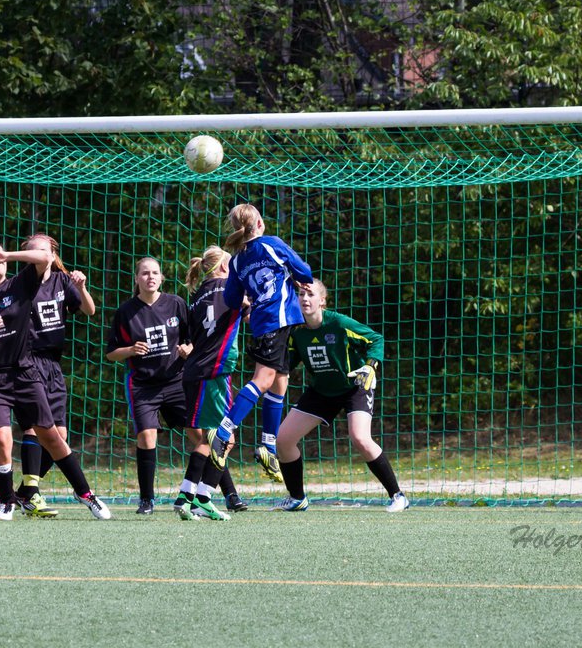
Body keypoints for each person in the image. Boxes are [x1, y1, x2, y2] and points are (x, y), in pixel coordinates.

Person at [0, 241, 112, 521]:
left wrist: (7, 253)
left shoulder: (20, 284)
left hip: (25, 373)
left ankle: (87, 495)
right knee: (1, 440)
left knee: (52, 436)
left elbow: (45, 256)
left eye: (0, 254)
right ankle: (7, 501)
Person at [274, 281, 408, 513]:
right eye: (301, 294)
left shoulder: (339, 323)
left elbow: (376, 339)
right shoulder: (296, 331)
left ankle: (398, 496)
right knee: (283, 440)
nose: (305, 299)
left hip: (354, 385)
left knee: (360, 438)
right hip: (321, 391)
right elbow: (286, 364)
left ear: (322, 301)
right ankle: (297, 498)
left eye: (310, 294)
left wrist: (371, 366)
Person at [208, 204, 314, 483]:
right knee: (264, 380)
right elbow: (305, 271)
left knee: (280, 382)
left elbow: (231, 299)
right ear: (260, 223)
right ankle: (222, 433)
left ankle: (268, 445)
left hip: (264, 325)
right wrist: (294, 278)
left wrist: (249, 300)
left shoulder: (237, 260)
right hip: (276, 323)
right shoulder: (272, 245)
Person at [105, 257, 193, 515]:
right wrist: (130, 350)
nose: (150, 277)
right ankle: (147, 500)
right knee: (146, 436)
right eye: (145, 273)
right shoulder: (126, 311)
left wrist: (188, 348)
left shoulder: (176, 304)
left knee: (200, 435)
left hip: (177, 381)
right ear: (136, 278)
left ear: (162, 278)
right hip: (143, 386)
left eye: (155, 272)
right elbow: (111, 353)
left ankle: (217, 493)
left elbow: (194, 339)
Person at [174, 246, 250, 521]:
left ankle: (186, 497)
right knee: (225, 438)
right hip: (215, 372)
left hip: (194, 372)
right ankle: (203, 497)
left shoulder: (196, 297)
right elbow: (248, 304)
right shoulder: (228, 288)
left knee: (209, 437)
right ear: (222, 268)